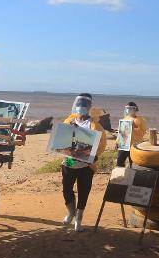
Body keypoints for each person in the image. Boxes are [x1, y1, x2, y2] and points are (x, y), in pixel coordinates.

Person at [60, 93, 107, 232]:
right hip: (68, 162)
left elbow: (102, 144)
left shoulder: (95, 126)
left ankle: (79, 218)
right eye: (79, 103)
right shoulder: (69, 121)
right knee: (66, 190)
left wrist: (94, 156)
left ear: (89, 107)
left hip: (86, 165)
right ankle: (70, 213)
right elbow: (62, 138)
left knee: (83, 191)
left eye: (84, 104)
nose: (81, 107)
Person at [116, 102, 148, 167]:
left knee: (133, 163)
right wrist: (117, 141)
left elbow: (143, 132)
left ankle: (133, 176)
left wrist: (133, 128)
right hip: (123, 145)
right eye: (127, 108)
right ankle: (121, 175)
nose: (128, 110)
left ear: (134, 109)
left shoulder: (140, 120)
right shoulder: (125, 119)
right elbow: (121, 132)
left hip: (134, 145)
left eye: (130, 108)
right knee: (119, 162)